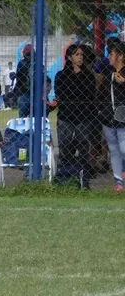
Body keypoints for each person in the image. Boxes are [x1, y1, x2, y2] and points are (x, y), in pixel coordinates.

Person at [55, 45, 96, 188]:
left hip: (83, 117)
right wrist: (75, 82)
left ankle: (83, 180)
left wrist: (78, 77)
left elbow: (89, 94)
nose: (80, 57)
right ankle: (65, 180)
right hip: (66, 116)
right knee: (65, 147)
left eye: (82, 55)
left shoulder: (88, 75)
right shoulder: (61, 75)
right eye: (77, 54)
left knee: (83, 148)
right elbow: (62, 93)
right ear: (70, 57)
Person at [99, 39, 125, 191]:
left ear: (121, 56)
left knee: (123, 148)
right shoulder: (108, 72)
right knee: (114, 149)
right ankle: (118, 183)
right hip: (108, 117)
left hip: (122, 117)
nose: (109, 57)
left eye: (112, 54)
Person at [13, 45, 33, 117]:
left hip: (24, 92)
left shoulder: (21, 63)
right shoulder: (37, 63)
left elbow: (18, 77)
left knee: (22, 117)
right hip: (34, 93)